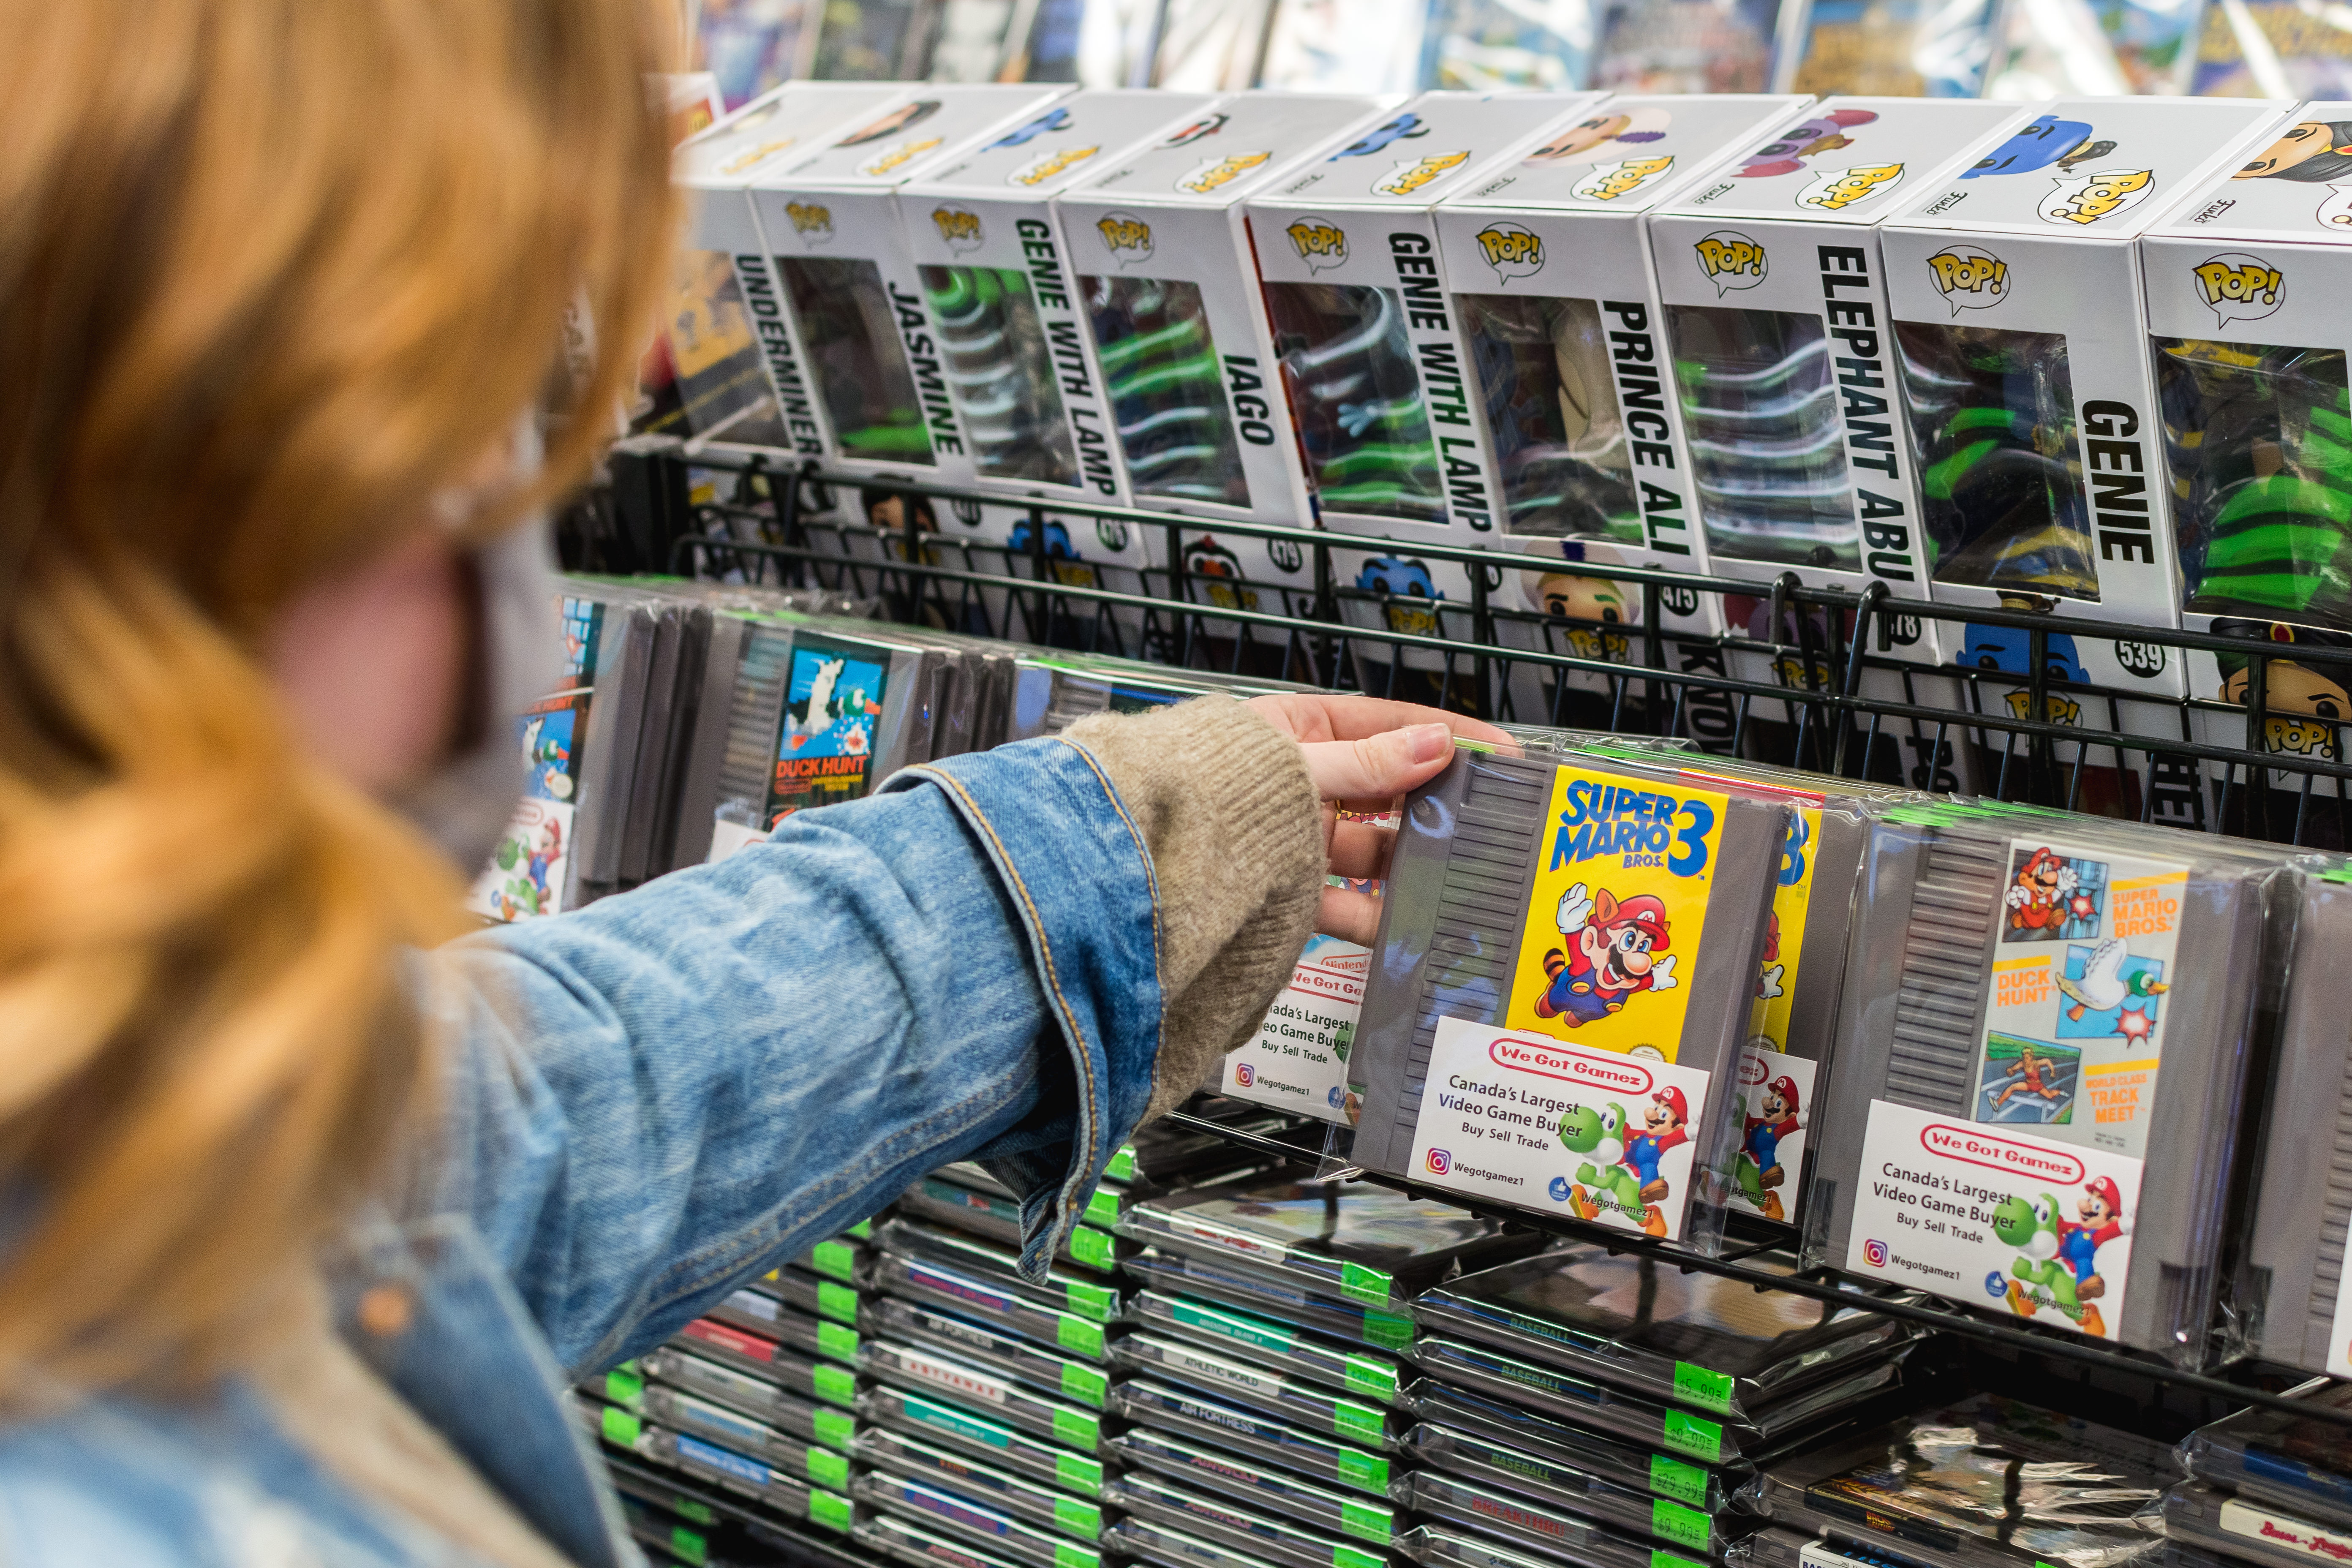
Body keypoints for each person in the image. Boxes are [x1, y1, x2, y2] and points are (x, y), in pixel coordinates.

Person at [0, 3, 1502, 1561]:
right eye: (460, 467)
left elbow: (505, 1132)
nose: (525, 657)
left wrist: (1114, 838)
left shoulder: (111, 1107)